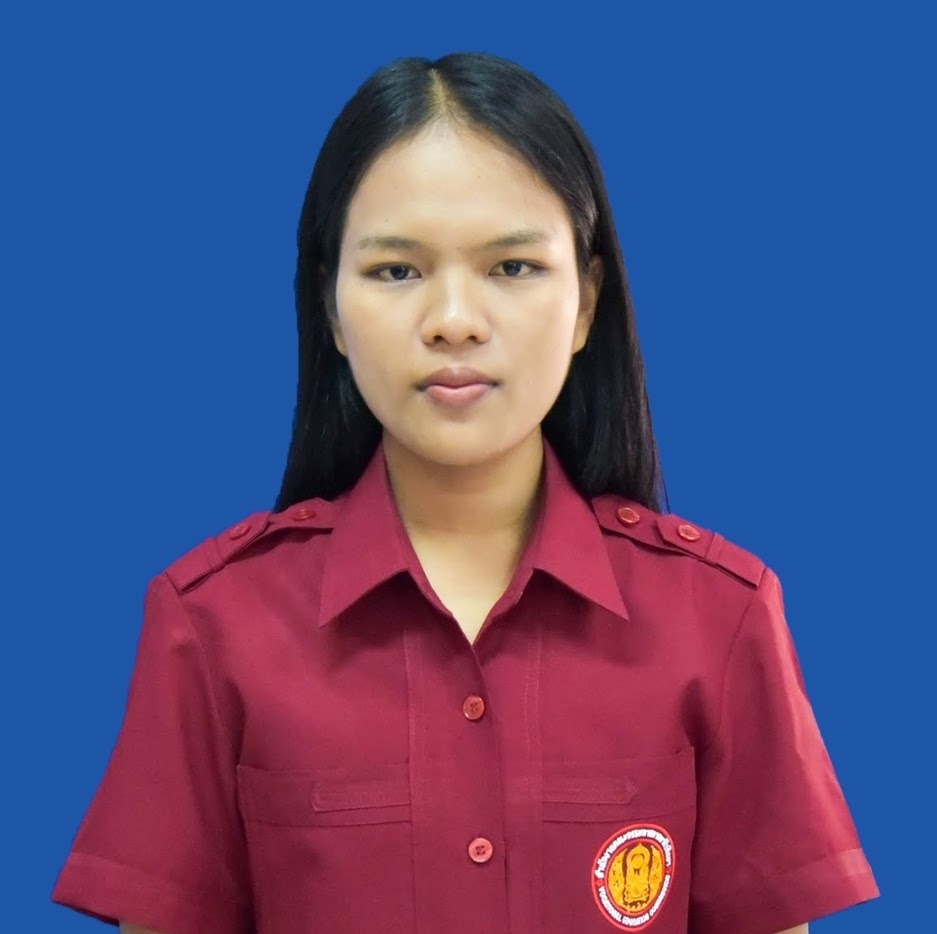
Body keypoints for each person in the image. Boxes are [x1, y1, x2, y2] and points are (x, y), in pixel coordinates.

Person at [51, 51, 879, 934]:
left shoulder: (720, 618)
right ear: (330, 308)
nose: (453, 320)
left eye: (511, 267)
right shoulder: (212, 624)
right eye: (396, 270)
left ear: (586, 302)